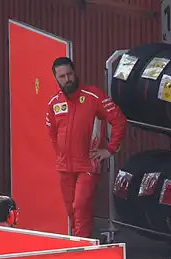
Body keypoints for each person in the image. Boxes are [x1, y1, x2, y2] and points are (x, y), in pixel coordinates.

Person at [46, 56, 127, 238]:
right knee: (71, 210)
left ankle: (81, 248)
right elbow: (51, 133)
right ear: (56, 79)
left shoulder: (93, 96)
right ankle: (84, 244)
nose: (67, 80)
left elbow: (119, 120)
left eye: (69, 74)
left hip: (88, 164)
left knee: (80, 206)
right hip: (64, 166)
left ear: (75, 73)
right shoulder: (53, 103)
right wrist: (60, 155)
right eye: (62, 76)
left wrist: (109, 150)